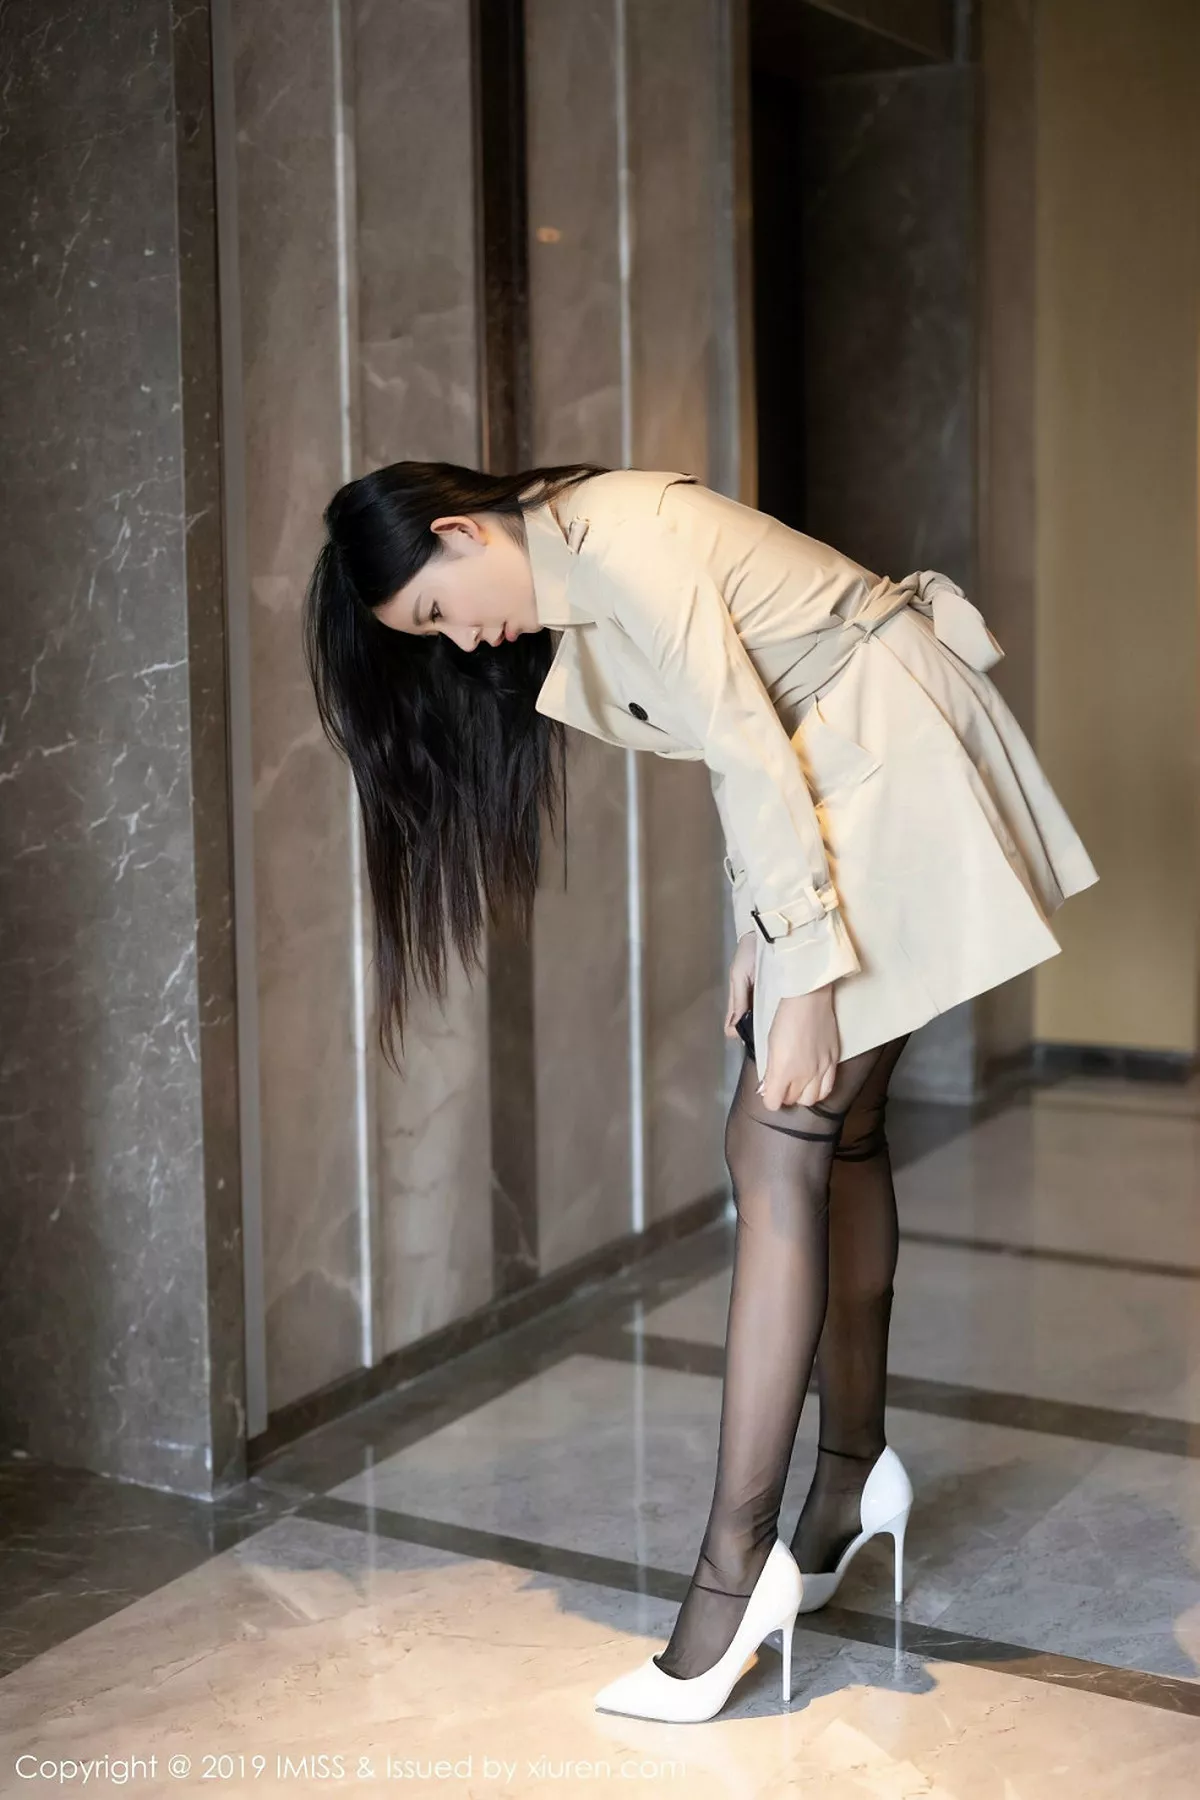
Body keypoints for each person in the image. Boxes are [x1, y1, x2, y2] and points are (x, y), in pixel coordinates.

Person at [302, 461, 1099, 1724]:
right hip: (852, 760)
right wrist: (761, 935)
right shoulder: (578, 567)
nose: (462, 640)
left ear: (458, 532)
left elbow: (743, 738)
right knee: (837, 1133)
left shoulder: (620, 543)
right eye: (432, 636)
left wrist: (807, 971)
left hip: (887, 758)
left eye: (441, 609)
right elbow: (752, 723)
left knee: (775, 1137)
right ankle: (849, 1482)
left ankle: (735, 1578)